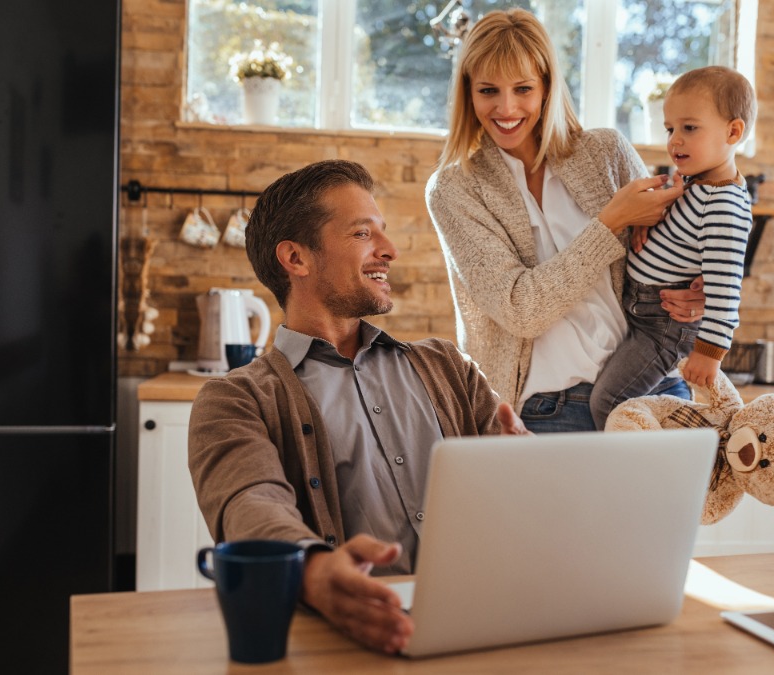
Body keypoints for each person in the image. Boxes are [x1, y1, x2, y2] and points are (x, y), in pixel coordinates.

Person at [188, 159, 528, 655]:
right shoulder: (235, 400)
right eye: (363, 233)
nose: (388, 251)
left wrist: (528, 467)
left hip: (484, 627)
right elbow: (250, 502)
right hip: (348, 644)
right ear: (296, 259)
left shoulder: (448, 366)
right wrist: (312, 568)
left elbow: (517, 481)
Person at [425, 8, 707, 433]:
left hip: (655, 390)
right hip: (553, 411)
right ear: (468, 94)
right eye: (488, 90)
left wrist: (696, 294)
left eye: (523, 88)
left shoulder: (607, 152)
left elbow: (672, 253)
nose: (506, 107)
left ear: (547, 88)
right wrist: (609, 222)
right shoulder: (454, 190)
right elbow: (521, 310)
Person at [589, 66, 756, 429]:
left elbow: (726, 288)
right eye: (670, 129)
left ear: (733, 131)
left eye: (689, 128)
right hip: (642, 310)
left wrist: (708, 353)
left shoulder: (724, 205)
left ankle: (646, 479)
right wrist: (641, 225)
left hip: (662, 326)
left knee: (609, 401)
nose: (675, 140)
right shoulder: (696, 185)